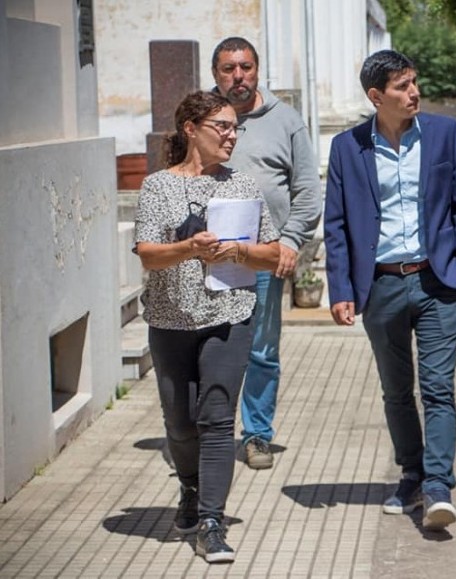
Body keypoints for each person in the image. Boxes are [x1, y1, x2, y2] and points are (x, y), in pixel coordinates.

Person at [324, 50, 456, 530]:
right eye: (401, 86)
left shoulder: (444, 134)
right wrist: (341, 288)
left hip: (439, 281)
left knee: (437, 387)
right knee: (396, 391)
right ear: (376, 96)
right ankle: (411, 473)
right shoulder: (347, 148)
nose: (413, 92)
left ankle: (438, 485)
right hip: (382, 284)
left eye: (414, 82)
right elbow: (336, 223)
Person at [134, 90, 280, 563]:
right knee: (180, 423)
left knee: (216, 420)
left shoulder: (244, 186)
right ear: (191, 129)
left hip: (229, 315)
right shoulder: (158, 186)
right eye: (223, 127)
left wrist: (238, 252)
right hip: (170, 319)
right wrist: (191, 249)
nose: (232, 135)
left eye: (236, 128)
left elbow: (273, 253)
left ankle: (212, 523)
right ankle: (191, 489)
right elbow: (148, 254)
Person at [211, 37, 322, 470]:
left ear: (258, 70)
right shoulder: (205, 118)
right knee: (211, 346)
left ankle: (256, 435)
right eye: (227, 69)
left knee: (260, 350)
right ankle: (213, 432)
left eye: (245, 67)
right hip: (210, 256)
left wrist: (290, 241)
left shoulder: (287, 121)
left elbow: (308, 193)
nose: (237, 76)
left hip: (263, 257)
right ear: (216, 74)